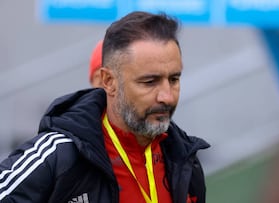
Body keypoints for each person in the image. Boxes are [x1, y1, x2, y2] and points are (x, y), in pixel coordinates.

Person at [0, 11, 210, 203]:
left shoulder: (185, 159)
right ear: (108, 81)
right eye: (149, 82)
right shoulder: (60, 155)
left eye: (174, 79)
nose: (167, 96)